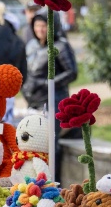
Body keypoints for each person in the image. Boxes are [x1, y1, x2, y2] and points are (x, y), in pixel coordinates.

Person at [22, 13, 80, 177]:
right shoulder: (32, 45)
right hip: (34, 102)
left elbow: (72, 72)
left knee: (50, 144)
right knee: (33, 143)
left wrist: (47, 83)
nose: (40, 29)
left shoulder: (60, 46)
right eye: (37, 25)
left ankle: (54, 180)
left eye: (44, 26)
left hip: (52, 102)